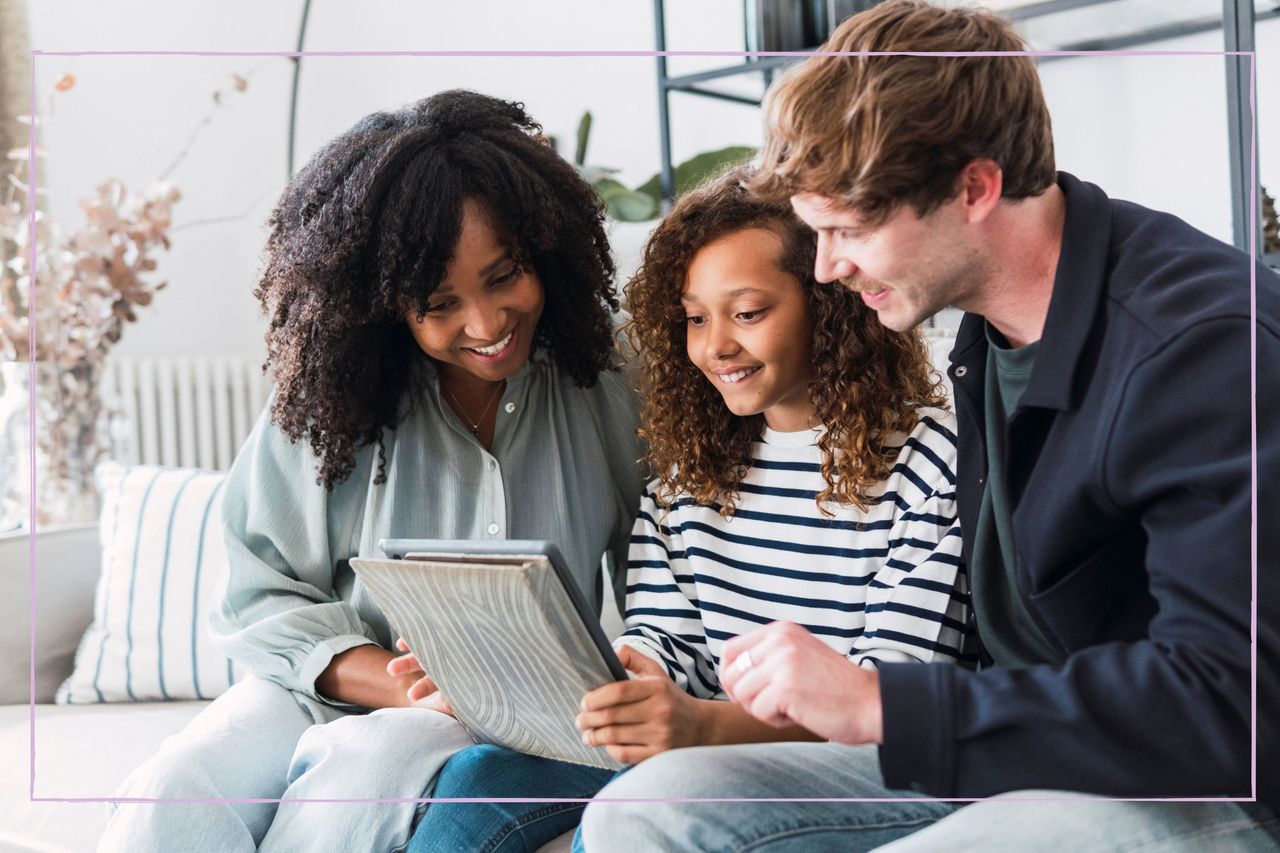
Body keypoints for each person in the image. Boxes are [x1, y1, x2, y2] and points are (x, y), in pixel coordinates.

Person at [570, 2, 1280, 851]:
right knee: (643, 810)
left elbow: (1234, 704)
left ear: (975, 189)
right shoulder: (987, 331)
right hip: (1028, 747)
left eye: (851, 229)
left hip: (1201, 778)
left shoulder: (1197, 349)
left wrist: (877, 700)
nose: (828, 266)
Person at [98, 89, 644, 853]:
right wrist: (395, 678)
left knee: (368, 763)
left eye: (504, 275)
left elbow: (661, 564)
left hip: (500, 722)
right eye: (439, 302)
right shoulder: (331, 395)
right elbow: (262, 590)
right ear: (385, 303)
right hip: (334, 685)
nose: (486, 325)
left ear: (543, 248)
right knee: (176, 785)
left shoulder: (608, 377)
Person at [404, 166, 971, 852]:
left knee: (642, 808)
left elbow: (894, 699)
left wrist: (702, 727)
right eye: (696, 318)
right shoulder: (691, 470)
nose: (715, 345)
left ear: (831, 303)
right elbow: (666, 645)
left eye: (748, 313)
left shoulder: (929, 459)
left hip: (870, 761)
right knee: (476, 780)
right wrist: (601, 679)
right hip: (710, 738)